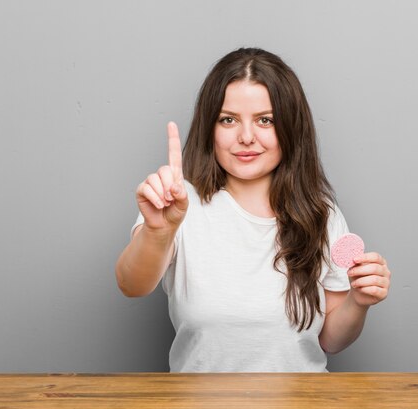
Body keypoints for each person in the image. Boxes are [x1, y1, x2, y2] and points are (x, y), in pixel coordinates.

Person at [115, 47, 391, 372]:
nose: (246, 137)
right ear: (210, 128)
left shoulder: (322, 213)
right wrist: (158, 231)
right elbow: (131, 285)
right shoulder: (176, 202)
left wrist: (359, 301)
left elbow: (330, 340)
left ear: (290, 128)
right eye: (228, 120)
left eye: (265, 120)